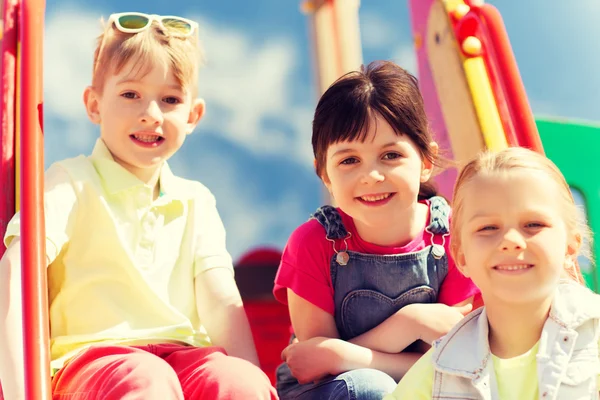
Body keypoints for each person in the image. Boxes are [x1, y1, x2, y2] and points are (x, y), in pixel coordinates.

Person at [0, 12, 277, 400]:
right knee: (145, 379)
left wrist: (252, 379)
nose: (151, 113)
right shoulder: (72, 182)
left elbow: (221, 304)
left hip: (184, 358)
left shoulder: (195, 200)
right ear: (94, 105)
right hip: (95, 362)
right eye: (130, 94)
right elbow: (17, 272)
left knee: (236, 381)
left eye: (170, 99)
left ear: (193, 115)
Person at [272, 60, 480, 399]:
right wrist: (411, 324)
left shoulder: (456, 236)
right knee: (372, 388)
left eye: (390, 155)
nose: (371, 176)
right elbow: (315, 366)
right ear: (324, 173)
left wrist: (344, 353)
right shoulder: (314, 243)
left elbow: (454, 361)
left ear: (426, 161)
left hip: (431, 385)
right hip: (335, 391)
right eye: (349, 160)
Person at [386, 147, 600, 399]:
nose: (510, 240)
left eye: (533, 224)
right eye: (488, 228)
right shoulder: (441, 369)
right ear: (461, 256)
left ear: (570, 246)